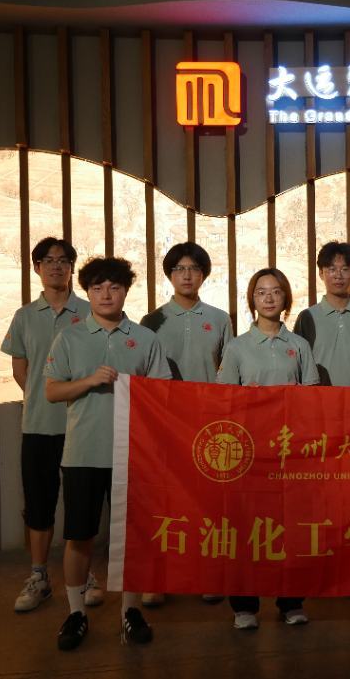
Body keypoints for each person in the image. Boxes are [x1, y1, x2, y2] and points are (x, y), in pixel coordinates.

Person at [45, 257, 172, 650]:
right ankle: (76, 613)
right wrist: (88, 381)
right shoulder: (69, 337)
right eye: (97, 288)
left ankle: (130, 612)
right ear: (87, 292)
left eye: (114, 287)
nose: (106, 294)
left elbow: (163, 393)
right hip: (82, 453)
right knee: (79, 537)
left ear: (125, 292)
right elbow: (51, 391)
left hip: (134, 454)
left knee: (133, 537)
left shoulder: (146, 339)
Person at [1, 237, 102, 613]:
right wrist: (47, 397)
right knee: (39, 504)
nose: (56, 266)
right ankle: (39, 575)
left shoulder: (91, 310)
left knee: (81, 504)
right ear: (36, 268)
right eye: (48, 260)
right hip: (39, 425)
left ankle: (84, 575)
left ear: (72, 267)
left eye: (63, 260)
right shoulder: (25, 316)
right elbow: (21, 370)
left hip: (84, 425)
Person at [216, 267, 319, 629]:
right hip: (249, 451)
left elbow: (312, 396)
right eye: (261, 292)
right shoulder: (237, 347)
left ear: (285, 297)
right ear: (252, 300)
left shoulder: (299, 346)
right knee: (246, 527)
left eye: (275, 291)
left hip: (289, 451)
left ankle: (291, 601)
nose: (269, 298)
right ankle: (244, 606)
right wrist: (248, 398)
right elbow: (223, 400)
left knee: (290, 527)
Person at [139, 242, 233, 607]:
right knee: (163, 500)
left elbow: (228, 370)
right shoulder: (152, 321)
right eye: (179, 268)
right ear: (169, 275)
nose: (187, 275)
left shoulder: (220, 319)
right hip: (166, 424)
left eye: (194, 268)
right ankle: (158, 577)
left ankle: (208, 573)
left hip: (209, 423)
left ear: (204, 274)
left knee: (208, 502)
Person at [293, 241, 350, 386]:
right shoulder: (307, 317)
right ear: (321, 273)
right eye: (332, 269)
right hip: (319, 397)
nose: (338, 276)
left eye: (345, 269)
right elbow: (297, 364)